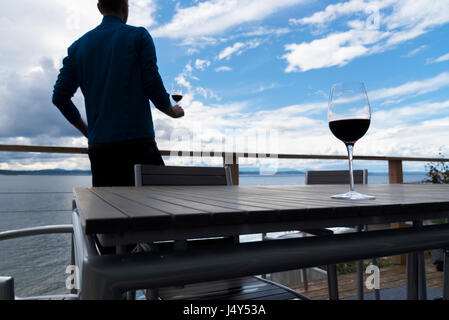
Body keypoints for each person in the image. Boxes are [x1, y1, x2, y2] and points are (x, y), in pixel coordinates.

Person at [52, 0, 184, 187]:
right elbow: (152, 82)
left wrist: (88, 132)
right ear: (125, 5)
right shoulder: (138, 36)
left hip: (100, 151)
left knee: (110, 214)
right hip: (139, 146)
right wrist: (172, 111)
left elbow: (59, 98)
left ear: (99, 8)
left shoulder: (77, 48)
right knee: (155, 210)